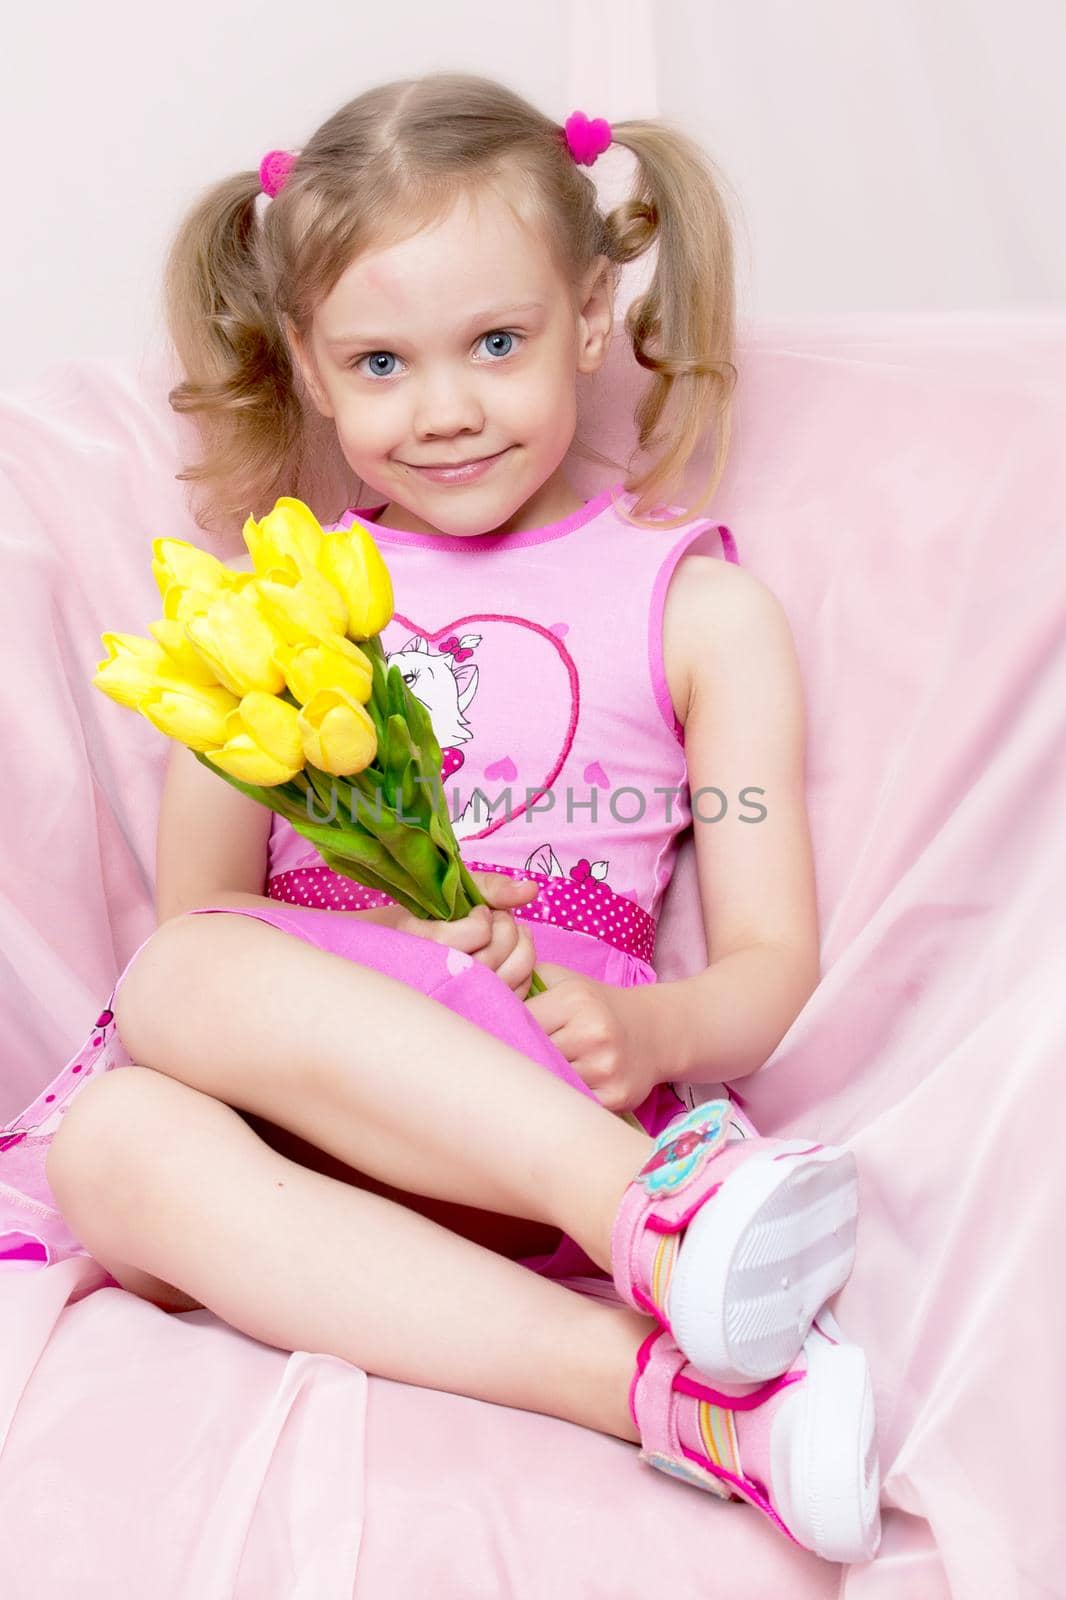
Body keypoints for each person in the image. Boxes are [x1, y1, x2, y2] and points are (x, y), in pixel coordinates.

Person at [1, 73, 880, 1563]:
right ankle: (692, 1404)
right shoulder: (272, 610)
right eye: (382, 362)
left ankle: (654, 1207)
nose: (448, 407)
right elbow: (195, 946)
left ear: (589, 322)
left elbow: (768, 963)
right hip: (304, 1152)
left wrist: (653, 1035)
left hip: (534, 1117)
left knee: (188, 979)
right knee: (119, 1123)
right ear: (310, 367)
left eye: (495, 343)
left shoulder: (697, 606)